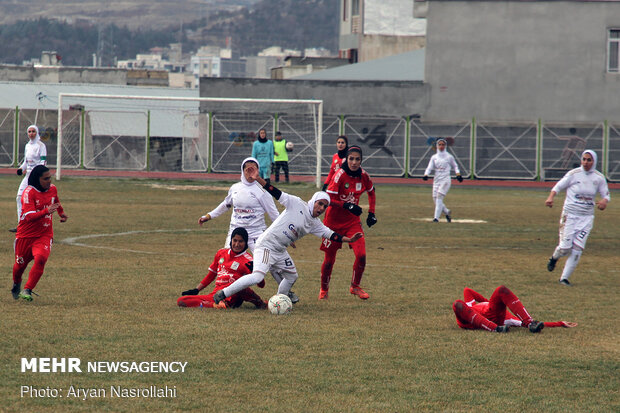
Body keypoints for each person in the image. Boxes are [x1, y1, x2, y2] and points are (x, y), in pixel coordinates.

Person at [212, 166, 363, 306]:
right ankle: (223, 293)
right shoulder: (296, 203)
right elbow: (275, 192)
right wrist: (258, 178)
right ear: (313, 201)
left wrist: (348, 239)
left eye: (325, 206)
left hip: (280, 249)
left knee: (292, 276)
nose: (321, 208)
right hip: (267, 245)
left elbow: (329, 234)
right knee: (257, 277)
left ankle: (279, 302)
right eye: (320, 203)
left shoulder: (315, 223)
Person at [198, 157, 299, 302]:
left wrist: (286, 235)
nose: (250, 172)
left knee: (271, 264)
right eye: (247, 169)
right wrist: (208, 216)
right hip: (236, 234)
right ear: (242, 170)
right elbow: (225, 204)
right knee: (226, 262)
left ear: (257, 171)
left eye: (253, 169)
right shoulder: (235, 188)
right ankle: (225, 294)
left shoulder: (262, 191)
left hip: (257, 234)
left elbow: (274, 214)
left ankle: (286, 292)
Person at [545, 149, 610, 286]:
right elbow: (558, 186)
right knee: (565, 248)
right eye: (584, 159)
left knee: (577, 249)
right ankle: (554, 258)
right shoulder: (574, 174)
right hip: (570, 216)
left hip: (586, 218)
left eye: (589, 160)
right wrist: (551, 198)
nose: (586, 162)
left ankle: (564, 278)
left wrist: (604, 201)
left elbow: (606, 195)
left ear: (594, 161)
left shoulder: (599, 178)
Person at [319, 145, 377, 300]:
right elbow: (328, 198)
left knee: (362, 255)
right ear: (347, 159)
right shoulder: (339, 175)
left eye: (357, 159)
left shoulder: (363, 175)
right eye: (351, 159)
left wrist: (371, 213)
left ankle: (355, 287)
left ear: (361, 161)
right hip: (333, 223)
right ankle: (324, 290)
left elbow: (372, 192)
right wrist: (346, 205)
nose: (354, 162)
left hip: (352, 223)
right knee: (330, 260)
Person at [11, 165, 68, 301]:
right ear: (38, 179)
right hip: (25, 235)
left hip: (44, 234)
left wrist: (61, 213)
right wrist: (46, 211)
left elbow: (55, 200)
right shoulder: (28, 193)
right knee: (19, 267)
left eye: (50, 177)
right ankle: (16, 283)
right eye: (46, 178)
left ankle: (27, 289)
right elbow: (29, 216)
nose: (49, 181)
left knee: (41, 259)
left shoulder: (52, 188)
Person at [177, 227, 266, 309]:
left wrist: (255, 272)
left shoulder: (248, 260)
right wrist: (196, 290)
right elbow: (211, 275)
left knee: (242, 287)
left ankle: (260, 303)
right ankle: (215, 305)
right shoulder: (221, 253)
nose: (237, 244)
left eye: (241, 241)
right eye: (234, 240)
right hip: (217, 295)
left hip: (234, 295)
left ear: (246, 243)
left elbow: (261, 284)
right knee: (181, 300)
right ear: (231, 240)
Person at [452, 286, 577, 333]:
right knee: (457, 304)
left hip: (479, 317)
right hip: (470, 319)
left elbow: (467, 291)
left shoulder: (506, 317)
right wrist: (489, 302)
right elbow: (467, 291)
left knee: (501, 290)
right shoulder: (502, 315)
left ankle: (530, 322)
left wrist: (559, 324)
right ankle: (495, 328)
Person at [11, 125, 47, 232]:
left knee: (37, 201)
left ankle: (40, 225)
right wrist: (21, 169)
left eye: (33, 131)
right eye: (29, 131)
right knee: (19, 198)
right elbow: (26, 162)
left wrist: (39, 173)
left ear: (37, 133)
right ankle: (21, 225)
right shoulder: (27, 146)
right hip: (27, 176)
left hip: (36, 177)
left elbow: (43, 161)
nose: (31, 133)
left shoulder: (41, 145)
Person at [423, 138, 463, 222]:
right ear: (437, 146)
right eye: (440, 144)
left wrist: (458, 174)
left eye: (443, 145)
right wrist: (426, 174)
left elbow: (455, 166)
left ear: (446, 146)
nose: (441, 146)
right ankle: (447, 212)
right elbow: (430, 167)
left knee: (439, 197)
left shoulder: (449, 157)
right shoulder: (434, 157)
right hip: (437, 180)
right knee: (435, 198)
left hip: (445, 180)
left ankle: (436, 218)